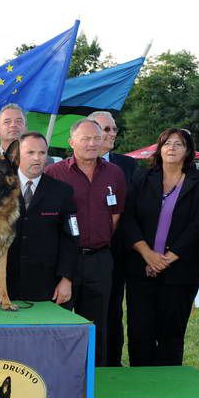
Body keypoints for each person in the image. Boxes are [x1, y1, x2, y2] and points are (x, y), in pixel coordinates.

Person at [122, 128, 199, 366]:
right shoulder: (142, 178)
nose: (171, 148)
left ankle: (168, 391)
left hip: (180, 270)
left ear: (188, 151)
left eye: (178, 144)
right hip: (140, 268)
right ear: (159, 149)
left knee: (171, 335)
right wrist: (148, 255)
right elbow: (128, 218)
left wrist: (164, 260)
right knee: (139, 332)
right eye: (167, 143)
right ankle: (142, 388)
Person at [45, 119, 127, 366]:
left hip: (99, 260)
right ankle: (58, 377)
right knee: (58, 324)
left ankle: (95, 381)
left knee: (96, 326)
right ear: (71, 143)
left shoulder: (114, 173)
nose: (92, 143)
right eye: (85, 139)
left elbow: (115, 216)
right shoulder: (54, 174)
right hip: (63, 264)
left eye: (96, 138)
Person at [88, 111, 137, 367]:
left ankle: (111, 365)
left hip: (116, 253)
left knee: (111, 311)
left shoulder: (128, 166)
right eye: (105, 129)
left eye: (113, 129)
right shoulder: (66, 165)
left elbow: (133, 210)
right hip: (77, 253)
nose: (111, 134)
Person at [6, 132, 77, 304]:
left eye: (42, 153)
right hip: (5, 283)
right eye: (30, 153)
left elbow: (71, 239)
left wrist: (66, 279)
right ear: (17, 155)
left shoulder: (63, 191)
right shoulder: (2, 189)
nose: (37, 158)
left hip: (47, 286)